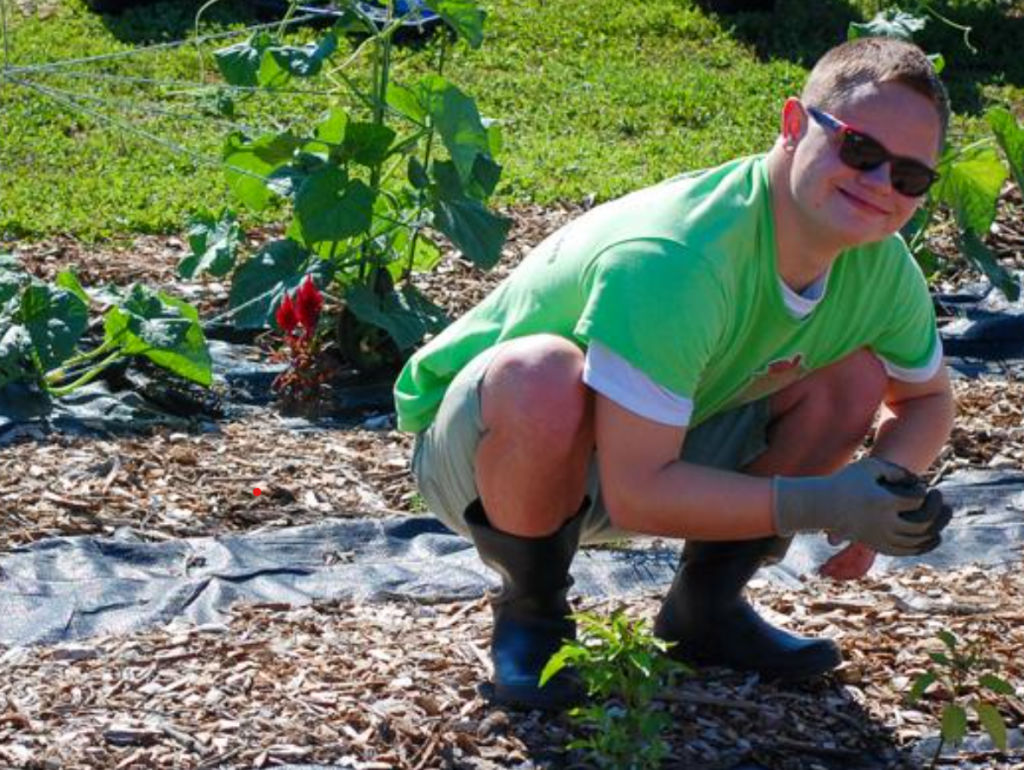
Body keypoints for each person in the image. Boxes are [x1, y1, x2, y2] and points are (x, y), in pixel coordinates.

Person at [393, 36, 956, 711]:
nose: (877, 184)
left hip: (655, 441)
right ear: (791, 125)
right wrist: (824, 500)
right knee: (541, 373)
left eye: (909, 176)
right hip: (490, 453)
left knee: (855, 378)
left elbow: (926, 400)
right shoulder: (678, 255)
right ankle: (532, 620)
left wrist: (885, 493)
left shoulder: (880, 265)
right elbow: (637, 495)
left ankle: (705, 610)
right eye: (859, 149)